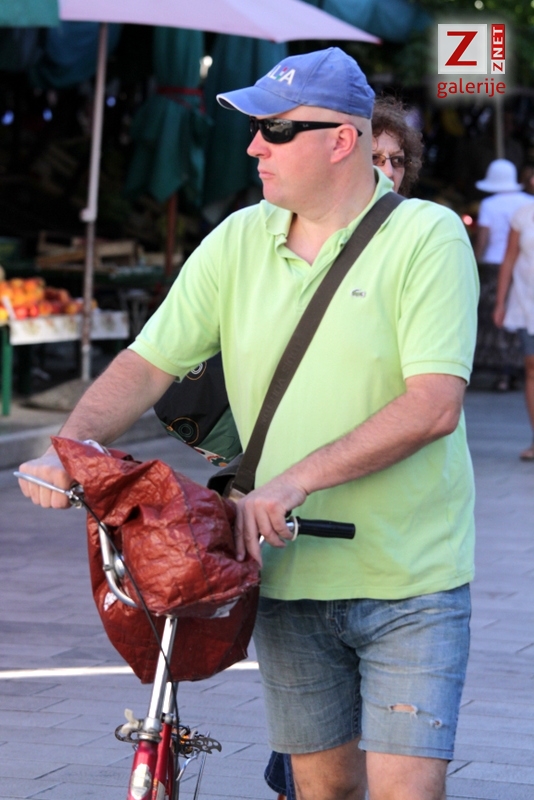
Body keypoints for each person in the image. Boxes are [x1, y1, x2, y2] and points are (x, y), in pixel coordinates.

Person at [18, 48, 478, 800]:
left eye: (277, 129)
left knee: (407, 793)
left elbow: (433, 404)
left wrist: (292, 481)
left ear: (342, 139)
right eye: (256, 128)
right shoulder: (238, 239)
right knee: (322, 790)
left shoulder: (426, 236)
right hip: (287, 573)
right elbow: (147, 363)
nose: (255, 146)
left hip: (410, 576)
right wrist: (68, 448)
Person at [264, 93, 425, 800]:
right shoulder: (263, 240)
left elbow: (433, 403)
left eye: (397, 161)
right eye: (376, 157)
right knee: (314, 777)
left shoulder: (422, 241)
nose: (386, 171)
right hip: (294, 558)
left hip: (399, 561)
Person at [473, 159, 532, 390]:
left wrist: (474, 261)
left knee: (495, 319)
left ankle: (502, 372)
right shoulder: (528, 202)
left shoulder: (489, 204)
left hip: (492, 265)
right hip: (522, 265)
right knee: (520, 315)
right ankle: (519, 367)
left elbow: (483, 238)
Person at [493, 185, 534, 460]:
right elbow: (509, 259)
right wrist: (500, 302)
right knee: (531, 366)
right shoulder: (523, 214)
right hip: (526, 301)